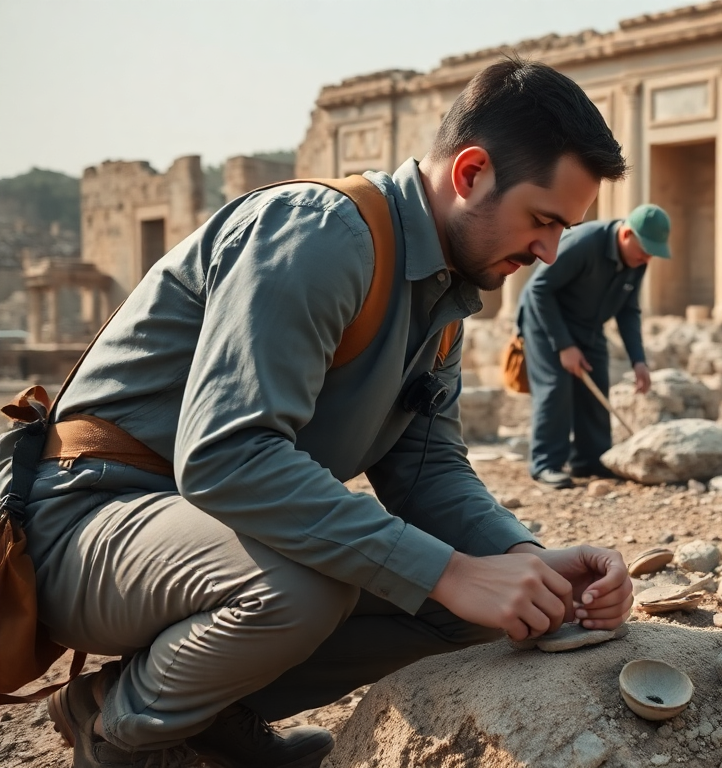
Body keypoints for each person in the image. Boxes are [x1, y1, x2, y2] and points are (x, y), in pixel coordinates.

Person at [11, 58, 635, 768]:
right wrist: (452, 572)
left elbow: (428, 471)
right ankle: (121, 733)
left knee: (490, 606)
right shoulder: (319, 234)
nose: (550, 252)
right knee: (310, 584)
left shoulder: (443, 297)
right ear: (470, 173)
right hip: (89, 523)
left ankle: (199, 713)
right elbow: (225, 458)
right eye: (543, 220)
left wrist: (523, 561)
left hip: (212, 538)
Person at [516, 203, 670, 490]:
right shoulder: (583, 243)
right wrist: (564, 346)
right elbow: (539, 289)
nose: (647, 258)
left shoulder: (637, 261)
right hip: (546, 321)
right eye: (644, 250)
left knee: (597, 383)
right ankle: (546, 464)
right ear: (626, 234)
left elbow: (628, 311)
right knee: (556, 387)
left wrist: (638, 360)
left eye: (652, 253)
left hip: (589, 326)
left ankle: (591, 460)